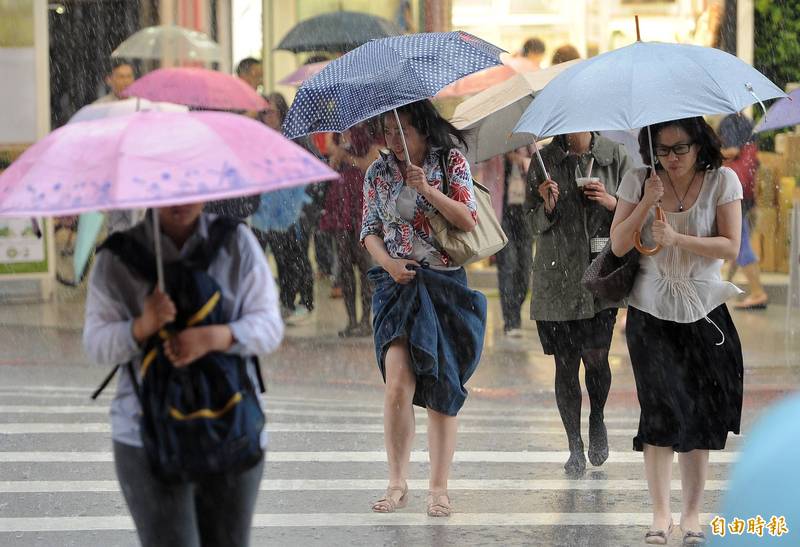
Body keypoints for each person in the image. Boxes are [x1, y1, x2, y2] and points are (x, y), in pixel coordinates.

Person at [83, 203, 283, 546]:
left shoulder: (236, 242)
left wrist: (215, 337)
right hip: (145, 432)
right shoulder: (117, 258)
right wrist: (140, 327)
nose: (179, 201)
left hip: (231, 422)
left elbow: (269, 327)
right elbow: (97, 344)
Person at [610, 117, 743, 545]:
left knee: (700, 414)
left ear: (698, 145)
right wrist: (647, 203)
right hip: (651, 311)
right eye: (663, 151)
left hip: (705, 310)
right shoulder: (639, 179)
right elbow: (617, 245)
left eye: (680, 149)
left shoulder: (722, 181)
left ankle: (691, 514)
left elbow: (730, 244)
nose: (672, 159)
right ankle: (660, 513)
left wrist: (678, 239)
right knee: (659, 412)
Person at [361, 100, 487, 517]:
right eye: (388, 131)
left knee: (442, 389)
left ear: (423, 129)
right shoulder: (377, 172)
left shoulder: (449, 160)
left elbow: (468, 219)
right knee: (397, 385)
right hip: (397, 285)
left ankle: (439, 488)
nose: (395, 139)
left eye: (403, 130)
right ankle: (396, 482)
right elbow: (369, 231)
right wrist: (389, 265)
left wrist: (427, 189)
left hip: (444, 284)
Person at [527, 129, 631, 476]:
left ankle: (597, 417)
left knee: (597, 358)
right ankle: (574, 445)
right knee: (565, 364)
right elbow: (530, 224)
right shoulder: (543, 160)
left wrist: (610, 201)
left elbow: (637, 213)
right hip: (556, 278)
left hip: (599, 275)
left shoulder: (615, 156)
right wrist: (546, 206)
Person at [322, 122, 382, 337]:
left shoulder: (369, 128)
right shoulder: (337, 132)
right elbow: (332, 165)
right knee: (345, 264)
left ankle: (367, 320)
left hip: (360, 197)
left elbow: (371, 163)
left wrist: (346, 157)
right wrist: (335, 157)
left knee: (365, 263)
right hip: (340, 199)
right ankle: (351, 320)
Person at [718, 114, 768, 309]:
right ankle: (725, 288)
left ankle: (758, 293)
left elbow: (732, 150)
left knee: (740, 243)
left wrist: (712, 153)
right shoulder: (745, 122)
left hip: (734, 191)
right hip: (745, 193)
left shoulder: (731, 121)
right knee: (738, 239)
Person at [496, 147, 534, 337]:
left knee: (525, 268)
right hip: (503, 215)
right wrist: (506, 156)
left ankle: (515, 311)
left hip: (526, 215)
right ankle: (511, 321)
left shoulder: (531, 147)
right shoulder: (496, 153)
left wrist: (523, 160)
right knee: (508, 266)